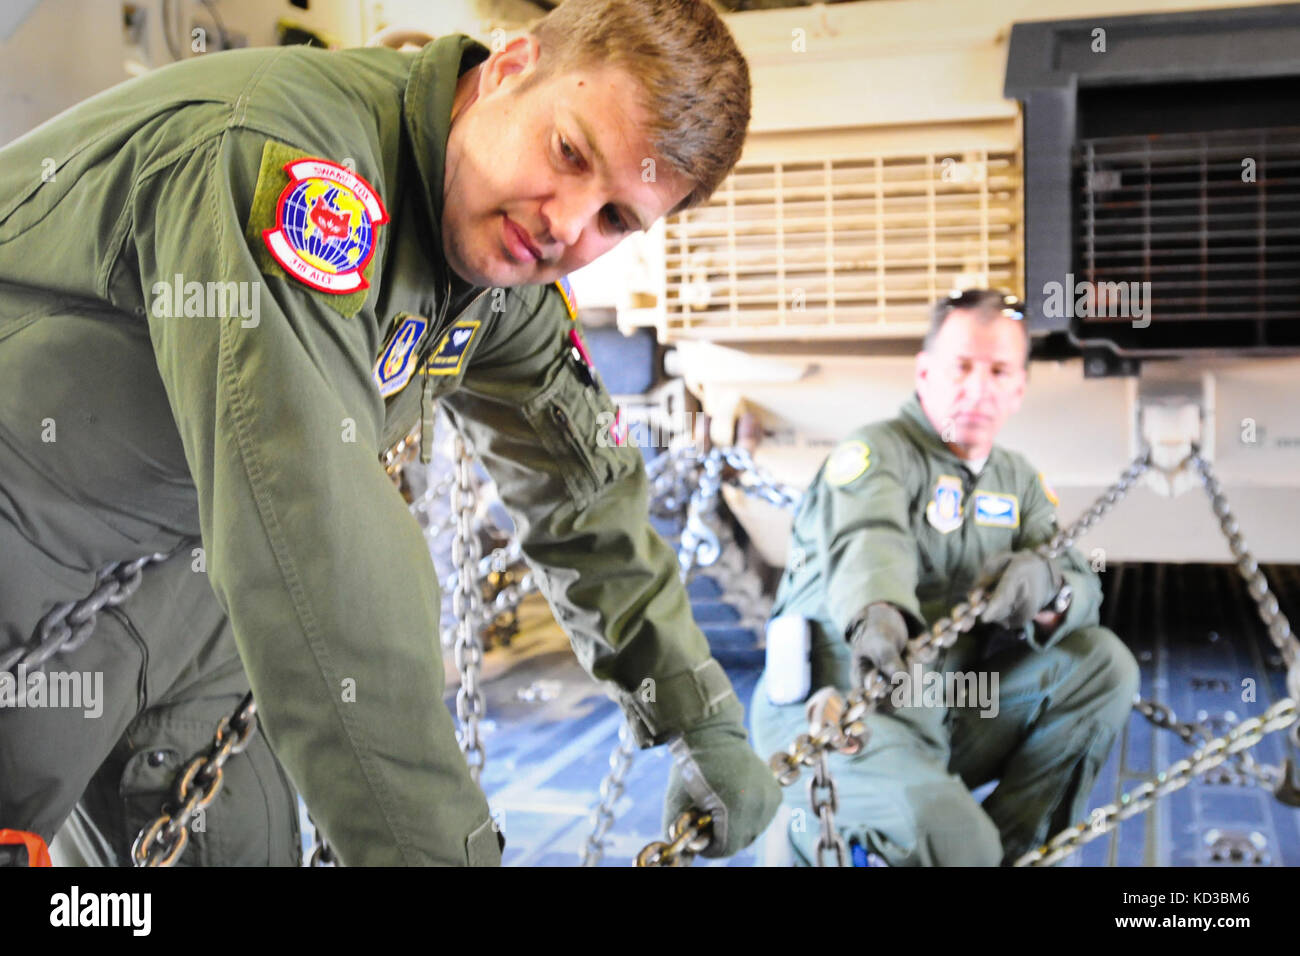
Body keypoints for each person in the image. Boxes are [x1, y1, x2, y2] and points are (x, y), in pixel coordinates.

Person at [0, 0, 779, 866]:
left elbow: (579, 482)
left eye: (615, 220)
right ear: (513, 65)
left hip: (187, 594)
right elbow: (314, 530)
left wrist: (695, 711)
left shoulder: (501, 262)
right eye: (569, 152)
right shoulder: (292, 169)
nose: (568, 222)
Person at [750, 290, 1139, 866]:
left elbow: (1079, 581)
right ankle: (812, 835)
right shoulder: (875, 453)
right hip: (837, 711)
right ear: (925, 372)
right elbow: (868, 535)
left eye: (999, 371)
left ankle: (1008, 853)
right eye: (962, 367)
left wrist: (1049, 587)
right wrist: (877, 611)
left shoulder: (1016, 479)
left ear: (1018, 388)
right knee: (960, 845)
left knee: (1103, 665)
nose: (978, 388)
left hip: (944, 706)